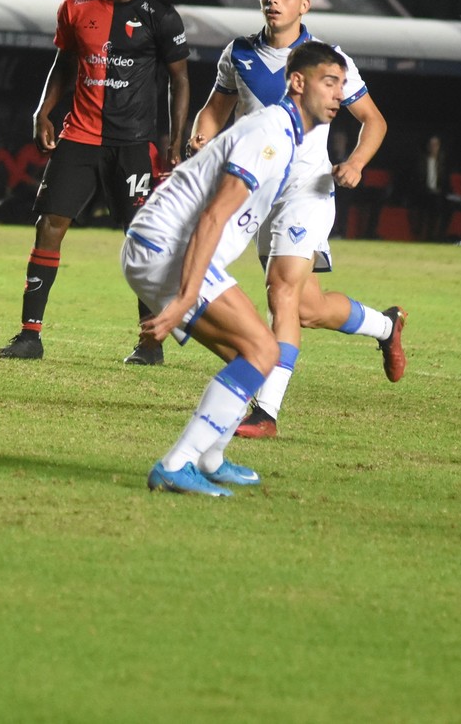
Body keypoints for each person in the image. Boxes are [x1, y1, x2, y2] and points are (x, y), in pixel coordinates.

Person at [188, 0, 404, 438]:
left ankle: (265, 411)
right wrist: (201, 135)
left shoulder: (328, 60)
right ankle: (386, 327)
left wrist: (356, 163)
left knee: (280, 291)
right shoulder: (238, 53)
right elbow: (215, 108)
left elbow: (374, 121)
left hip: (308, 190)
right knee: (306, 308)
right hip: (258, 192)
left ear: (304, 5)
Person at [133, 42, 348, 495]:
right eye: (329, 82)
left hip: (165, 246)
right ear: (298, 82)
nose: (338, 94)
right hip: (168, 246)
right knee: (263, 352)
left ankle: (210, 457)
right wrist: (186, 300)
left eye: (342, 85)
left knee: (248, 356)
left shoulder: (287, 135)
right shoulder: (271, 133)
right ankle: (176, 463)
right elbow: (213, 215)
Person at [0, 0, 190, 364]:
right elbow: (64, 61)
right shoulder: (76, 7)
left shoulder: (160, 16)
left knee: (141, 241)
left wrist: (175, 142)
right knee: (49, 225)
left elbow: (179, 79)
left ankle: (150, 344)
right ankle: (29, 337)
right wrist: (44, 110)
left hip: (134, 145)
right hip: (79, 137)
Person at [410, 135, 453, 243]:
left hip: (439, 194)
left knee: (449, 207)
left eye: (436, 145)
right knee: (432, 203)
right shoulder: (420, 161)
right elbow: (416, 181)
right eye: (432, 144)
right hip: (423, 193)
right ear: (428, 146)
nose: (434, 147)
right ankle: (428, 236)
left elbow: (446, 182)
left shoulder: (443, 162)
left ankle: (440, 236)